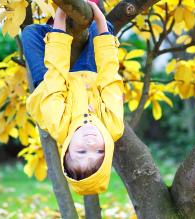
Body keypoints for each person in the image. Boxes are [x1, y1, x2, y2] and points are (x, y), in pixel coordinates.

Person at [22, 0, 124, 195]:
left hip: (51, 84)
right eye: (100, 152)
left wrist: (60, 18)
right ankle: (80, 16)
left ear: (67, 150)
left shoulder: (58, 123)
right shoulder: (113, 125)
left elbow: (56, 76)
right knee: (103, 28)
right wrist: (100, 20)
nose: (91, 145)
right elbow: (110, 76)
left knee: (30, 33)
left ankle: (56, 26)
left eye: (82, 152)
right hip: (88, 77)